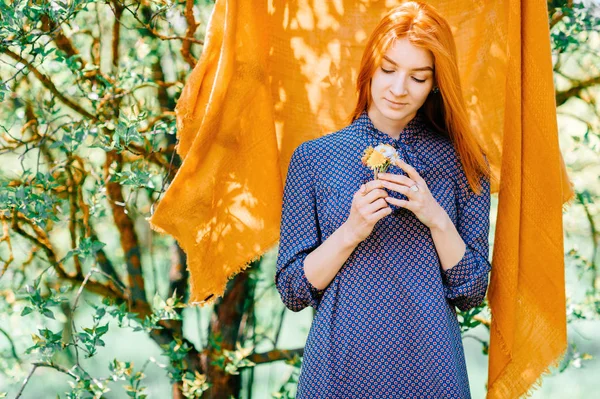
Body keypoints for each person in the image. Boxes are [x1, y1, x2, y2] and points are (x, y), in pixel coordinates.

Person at [275, 1, 492, 398]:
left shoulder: (464, 163)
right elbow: (293, 290)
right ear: (369, 67)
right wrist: (351, 231)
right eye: (389, 69)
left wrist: (436, 218)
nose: (398, 88)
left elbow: (472, 292)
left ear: (436, 84)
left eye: (418, 77)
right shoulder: (315, 159)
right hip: (339, 370)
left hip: (432, 372)